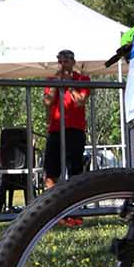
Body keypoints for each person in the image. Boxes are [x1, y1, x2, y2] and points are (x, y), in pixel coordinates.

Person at [43, 49, 91, 199]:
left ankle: (74, 206)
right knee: (50, 173)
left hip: (75, 129)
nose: (63, 64)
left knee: (74, 172)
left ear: (73, 62)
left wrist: (69, 85)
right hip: (56, 129)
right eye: (61, 61)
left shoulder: (82, 79)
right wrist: (56, 85)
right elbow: (47, 102)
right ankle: (53, 205)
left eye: (67, 61)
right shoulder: (52, 80)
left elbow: (80, 101)